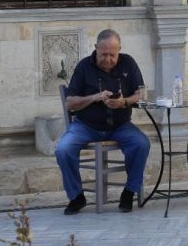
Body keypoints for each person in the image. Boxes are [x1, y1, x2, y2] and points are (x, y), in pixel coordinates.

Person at [56, 29, 149, 215]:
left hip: (120, 125)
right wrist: (96, 97)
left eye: (112, 55)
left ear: (119, 49)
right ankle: (76, 196)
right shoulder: (84, 67)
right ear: (96, 48)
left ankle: (129, 192)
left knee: (141, 144)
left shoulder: (128, 63)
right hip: (86, 126)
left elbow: (141, 93)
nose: (108, 59)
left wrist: (123, 102)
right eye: (104, 54)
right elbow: (70, 103)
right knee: (63, 149)